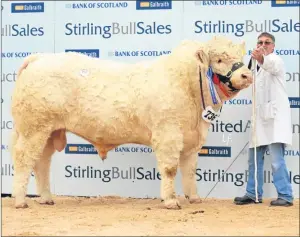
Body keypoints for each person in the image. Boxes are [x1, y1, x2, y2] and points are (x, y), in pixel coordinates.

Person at [234, 32, 294, 207]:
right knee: (254, 158)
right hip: (260, 119)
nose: (263, 44)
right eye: (260, 42)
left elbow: (271, 66)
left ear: (273, 46)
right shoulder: (255, 66)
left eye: (267, 42)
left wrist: (261, 59)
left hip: (275, 120)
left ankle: (285, 195)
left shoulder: (276, 60)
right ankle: (253, 193)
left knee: (276, 161)